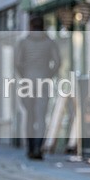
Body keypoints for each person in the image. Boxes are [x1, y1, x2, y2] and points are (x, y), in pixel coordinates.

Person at [14, 15, 61, 160]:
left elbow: (17, 63)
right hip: (43, 81)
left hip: (27, 82)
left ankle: (29, 148)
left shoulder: (23, 42)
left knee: (29, 116)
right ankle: (38, 149)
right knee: (41, 117)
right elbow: (58, 62)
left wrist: (25, 76)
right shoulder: (49, 42)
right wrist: (48, 75)